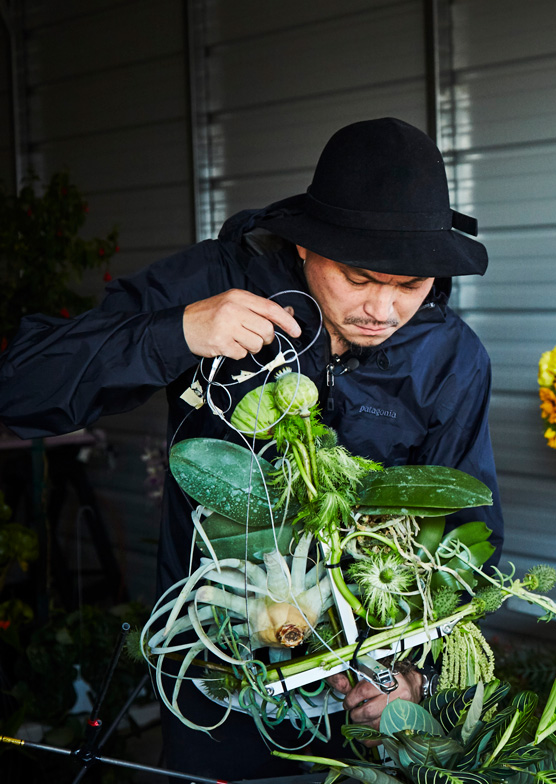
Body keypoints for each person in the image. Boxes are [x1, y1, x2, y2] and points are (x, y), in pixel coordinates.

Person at [0, 117, 503, 779]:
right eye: (359, 278)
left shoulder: (451, 358)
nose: (382, 309)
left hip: (362, 692)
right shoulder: (216, 280)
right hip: (214, 676)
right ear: (306, 245)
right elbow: (20, 386)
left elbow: (469, 537)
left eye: (410, 286)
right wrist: (175, 332)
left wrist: (415, 675)